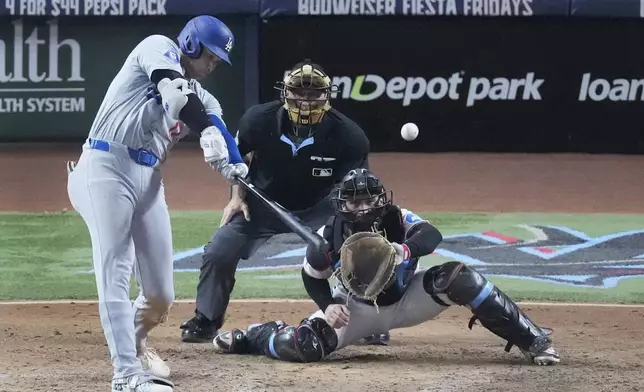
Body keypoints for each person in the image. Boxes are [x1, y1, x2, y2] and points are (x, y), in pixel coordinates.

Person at [212, 169, 561, 367]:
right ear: (342, 204)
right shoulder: (327, 236)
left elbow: (432, 234)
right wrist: (327, 305)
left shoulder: (398, 218)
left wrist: (405, 248)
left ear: (381, 200)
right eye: (354, 200)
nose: (362, 207)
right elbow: (311, 276)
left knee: (460, 277)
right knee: (303, 346)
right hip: (356, 310)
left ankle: (533, 340)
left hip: (409, 300)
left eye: (368, 200)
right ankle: (256, 335)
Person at [66, 15, 248, 392]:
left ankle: (133, 344)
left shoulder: (205, 97)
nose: (214, 63)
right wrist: (208, 130)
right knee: (115, 269)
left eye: (219, 59)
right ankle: (126, 375)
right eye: (211, 54)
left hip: (148, 179)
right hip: (104, 166)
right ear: (192, 45)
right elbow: (175, 92)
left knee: (160, 294)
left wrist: (235, 165)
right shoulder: (156, 47)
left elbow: (217, 125)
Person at [179, 59, 372, 344]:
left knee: (358, 249)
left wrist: (348, 226)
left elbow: (355, 187)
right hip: (263, 203)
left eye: (314, 93)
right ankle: (206, 320)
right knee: (219, 251)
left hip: (319, 206)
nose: (305, 100)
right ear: (285, 93)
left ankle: (367, 320)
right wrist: (236, 198)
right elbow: (238, 161)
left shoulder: (349, 136)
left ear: (327, 96)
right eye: (299, 92)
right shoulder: (258, 119)